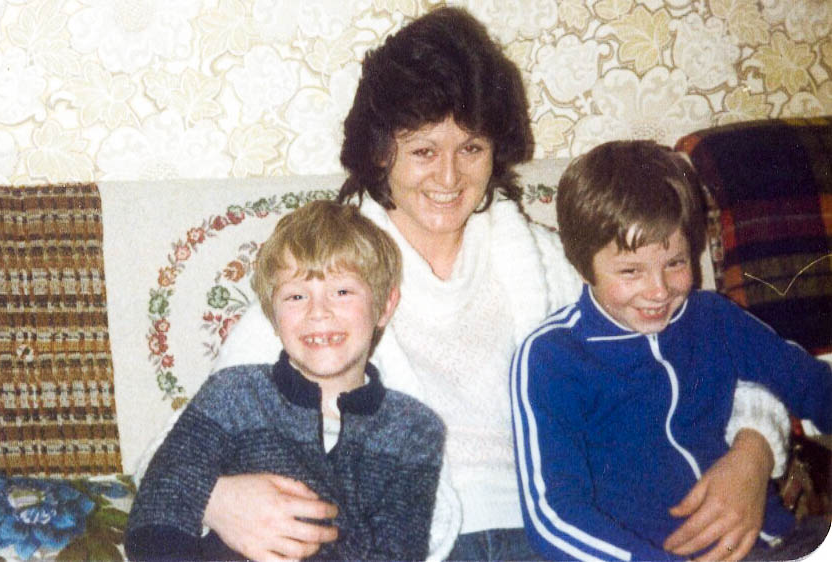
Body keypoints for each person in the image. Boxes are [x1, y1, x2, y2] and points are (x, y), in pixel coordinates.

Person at [138, 7, 794, 561]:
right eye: (422, 150)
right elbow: (166, 452)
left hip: (562, 532)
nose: (447, 177)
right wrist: (220, 497)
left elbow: (706, 351)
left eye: (471, 148)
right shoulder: (326, 281)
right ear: (378, 153)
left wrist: (754, 450)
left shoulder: (550, 266)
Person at [511, 140, 832, 561]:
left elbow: (812, 385)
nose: (659, 290)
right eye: (631, 271)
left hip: (783, 541)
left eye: (676, 263)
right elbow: (553, 515)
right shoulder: (553, 357)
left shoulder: (715, 317)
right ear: (582, 266)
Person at [125, 200, 446, 561]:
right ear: (272, 316)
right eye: (296, 296)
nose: (318, 312)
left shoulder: (414, 430)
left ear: (385, 307)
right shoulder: (234, 394)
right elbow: (157, 508)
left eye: (342, 292)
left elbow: (398, 552)